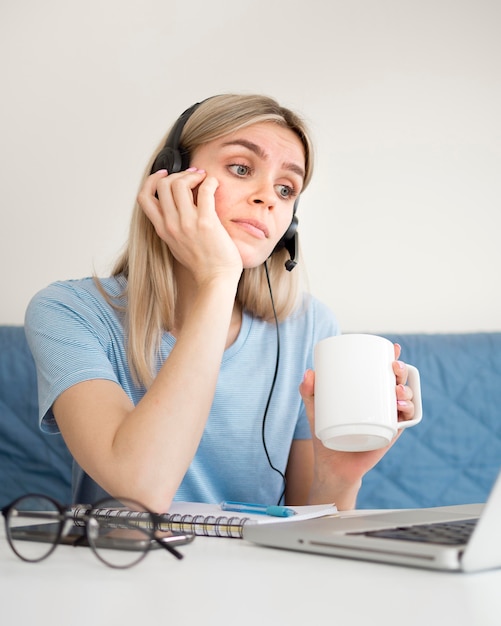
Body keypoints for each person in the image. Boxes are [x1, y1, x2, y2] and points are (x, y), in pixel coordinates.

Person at [25, 93, 416, 513]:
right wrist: (217, 279)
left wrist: (337, 477)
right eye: (242, 168)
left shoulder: (310, 324)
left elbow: (306, 530)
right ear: (170, 176)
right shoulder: (68, 311)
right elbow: (140, 489)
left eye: (286, 189)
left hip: (260, 575)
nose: (268, 197)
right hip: (129, 570)